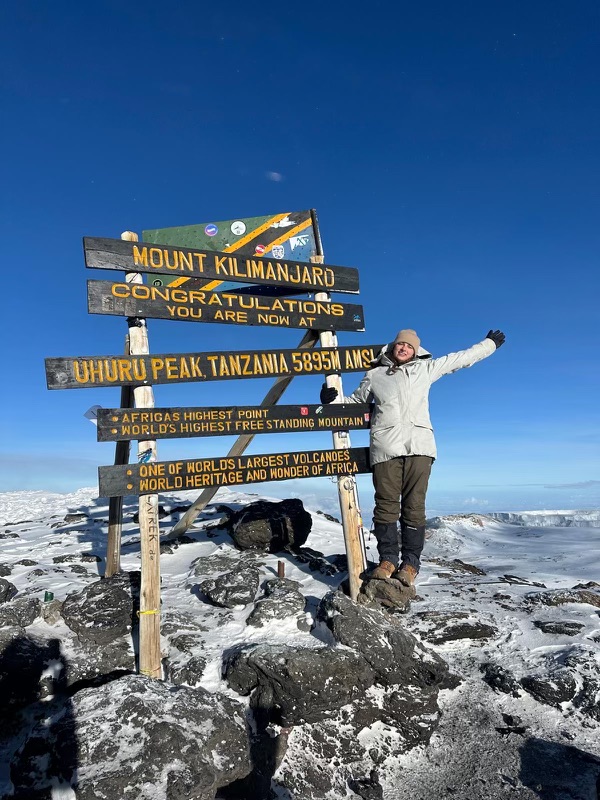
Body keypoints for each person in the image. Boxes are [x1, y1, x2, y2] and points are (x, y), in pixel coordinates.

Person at [320, 328, 505, 588]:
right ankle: (387, 561)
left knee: (414, 507)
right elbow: (353, 402)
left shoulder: (426, 369)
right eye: (400, 345)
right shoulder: (375, 374)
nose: (404, 348)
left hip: (420, 447)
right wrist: (331, 399)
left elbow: (461, 358)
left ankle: (410, 564)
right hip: (385, 448)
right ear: (392, 347)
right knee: (385, 505)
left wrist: (489, 345)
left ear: (416, 350)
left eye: (409, 346)